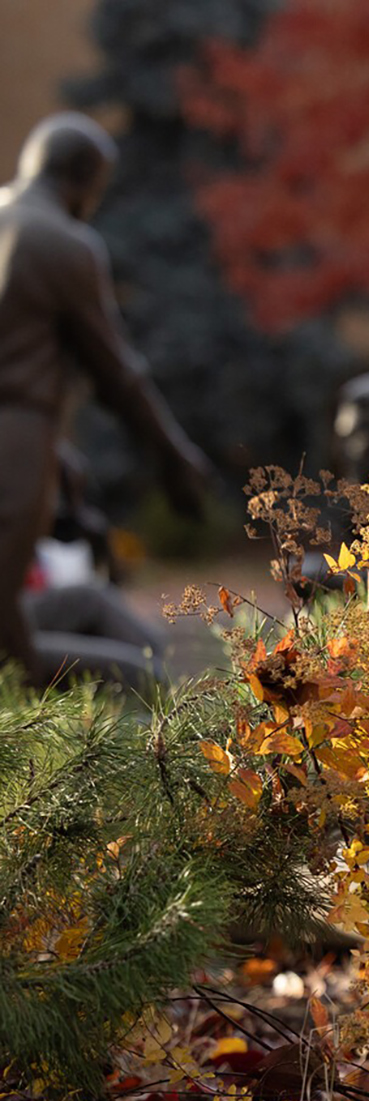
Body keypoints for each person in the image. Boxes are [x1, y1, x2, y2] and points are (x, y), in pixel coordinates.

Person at [0, 111, 212, 688]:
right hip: (15, 437)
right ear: (81, 178)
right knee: (8, 637)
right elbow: (118, 374)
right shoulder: (64, 244)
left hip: (26, 435)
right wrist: (173, 458)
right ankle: (143, 699)